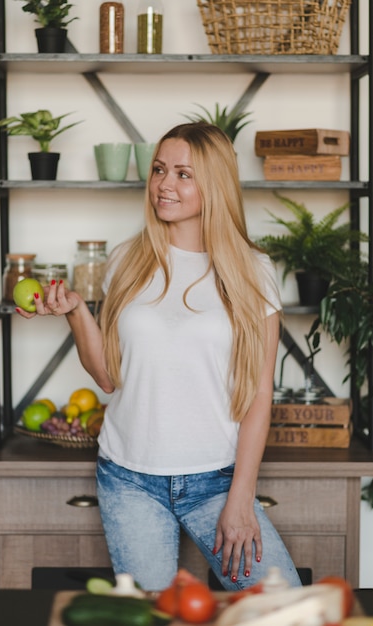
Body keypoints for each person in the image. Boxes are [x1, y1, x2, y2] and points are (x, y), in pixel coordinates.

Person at [17, 122, 301, 592]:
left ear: (215, 185)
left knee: (283, 608)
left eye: (184, 174)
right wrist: (75, 313)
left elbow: (258, 392)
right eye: (159, 170)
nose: (164, 185)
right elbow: (109, 377)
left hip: (216, 480)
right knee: (149, 618)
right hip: (128, 480)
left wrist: (241, 498)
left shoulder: (254, 271)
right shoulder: (129, 259)